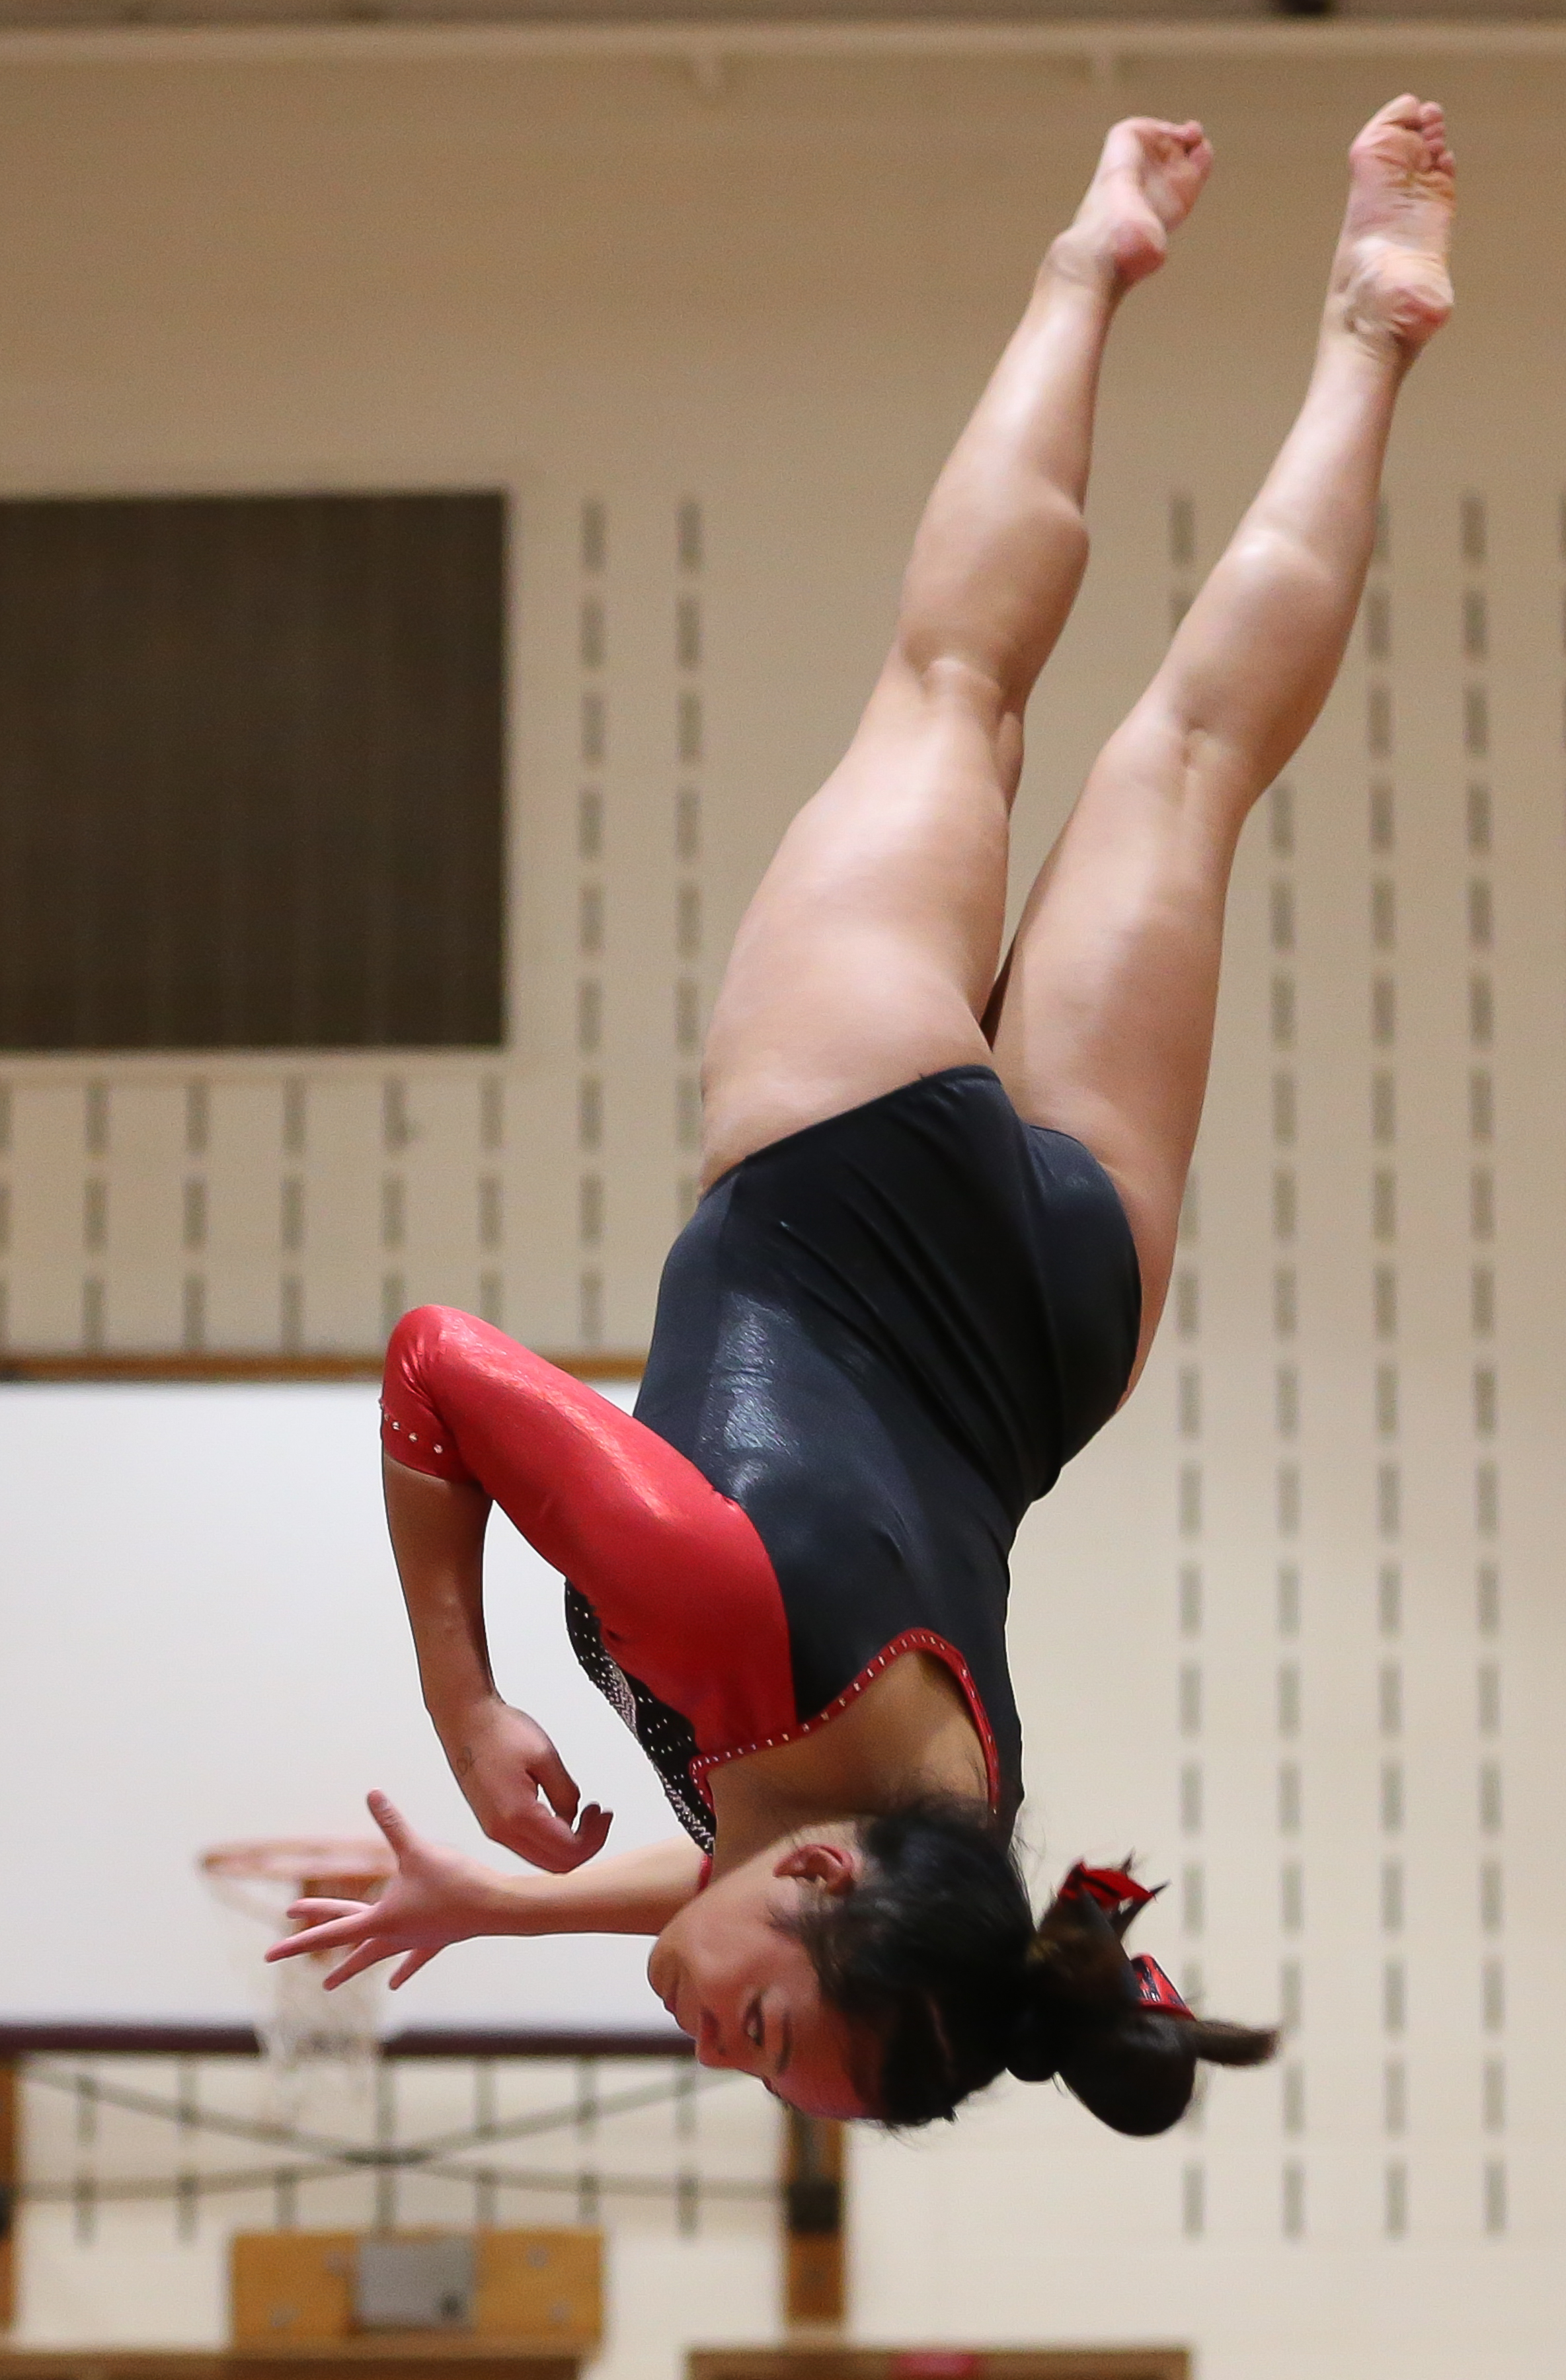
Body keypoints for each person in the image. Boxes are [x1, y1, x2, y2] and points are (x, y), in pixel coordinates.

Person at [271, 97, 1456, 2135]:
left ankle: (1374, 317)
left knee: (1186, 760)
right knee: (955, 683)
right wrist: (464, 1703)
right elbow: (434, 1374)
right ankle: (1091, 264)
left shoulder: (947, 1842)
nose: (705, 2043)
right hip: (848, 1157)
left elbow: (758, 1862)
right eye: (751, 2037)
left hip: (1056, 1322)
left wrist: (491, 1899)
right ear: (816, 1889)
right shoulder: (711, 1614)